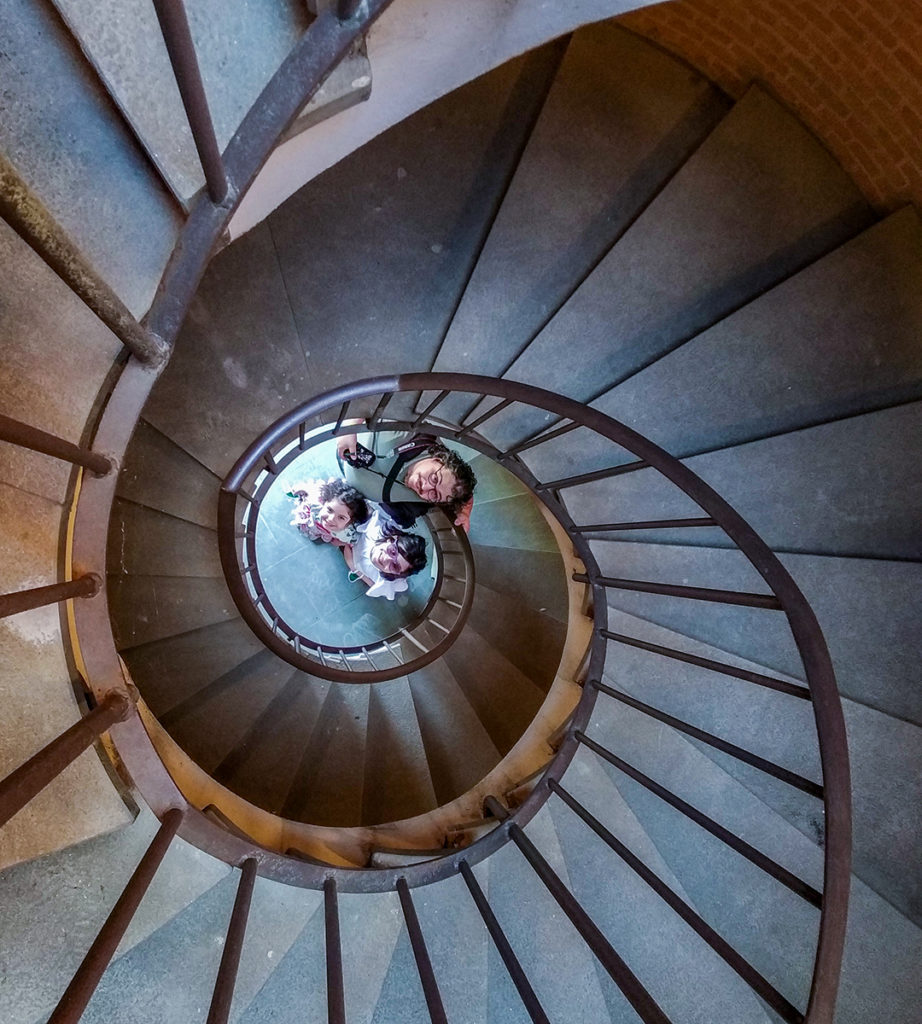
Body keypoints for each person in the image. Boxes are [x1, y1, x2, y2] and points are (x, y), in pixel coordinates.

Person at [335, 429, 476, 531]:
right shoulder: (410, 432)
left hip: (346, 479)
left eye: (435, 495)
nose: (425, 487)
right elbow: (372, 401)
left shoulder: (438, 493)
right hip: (343, 447)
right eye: (434, 478)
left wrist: (465, 512)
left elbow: (465, 495)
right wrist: (348, 428)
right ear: (437, 460)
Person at [342, 509, 428, 600]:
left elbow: (374, 584)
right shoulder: (373, 529)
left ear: (395, 574)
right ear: (391, 539)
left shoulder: (384, 580)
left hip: (356, 562)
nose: (385, 559)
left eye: (395, 566)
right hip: (353, 544)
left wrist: (355, 569)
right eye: (393, 552)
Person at [287, 478, 368, 546]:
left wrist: (338, 542)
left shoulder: (345, 533)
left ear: (349, 523)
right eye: (329, 510)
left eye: (341, 517)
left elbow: (350, 541)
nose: (331, 518)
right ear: (324, 502)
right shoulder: (317, 504)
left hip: (326, 533)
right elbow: (311, 492)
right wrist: (303, 490)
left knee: (318, 541)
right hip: (315, 518)